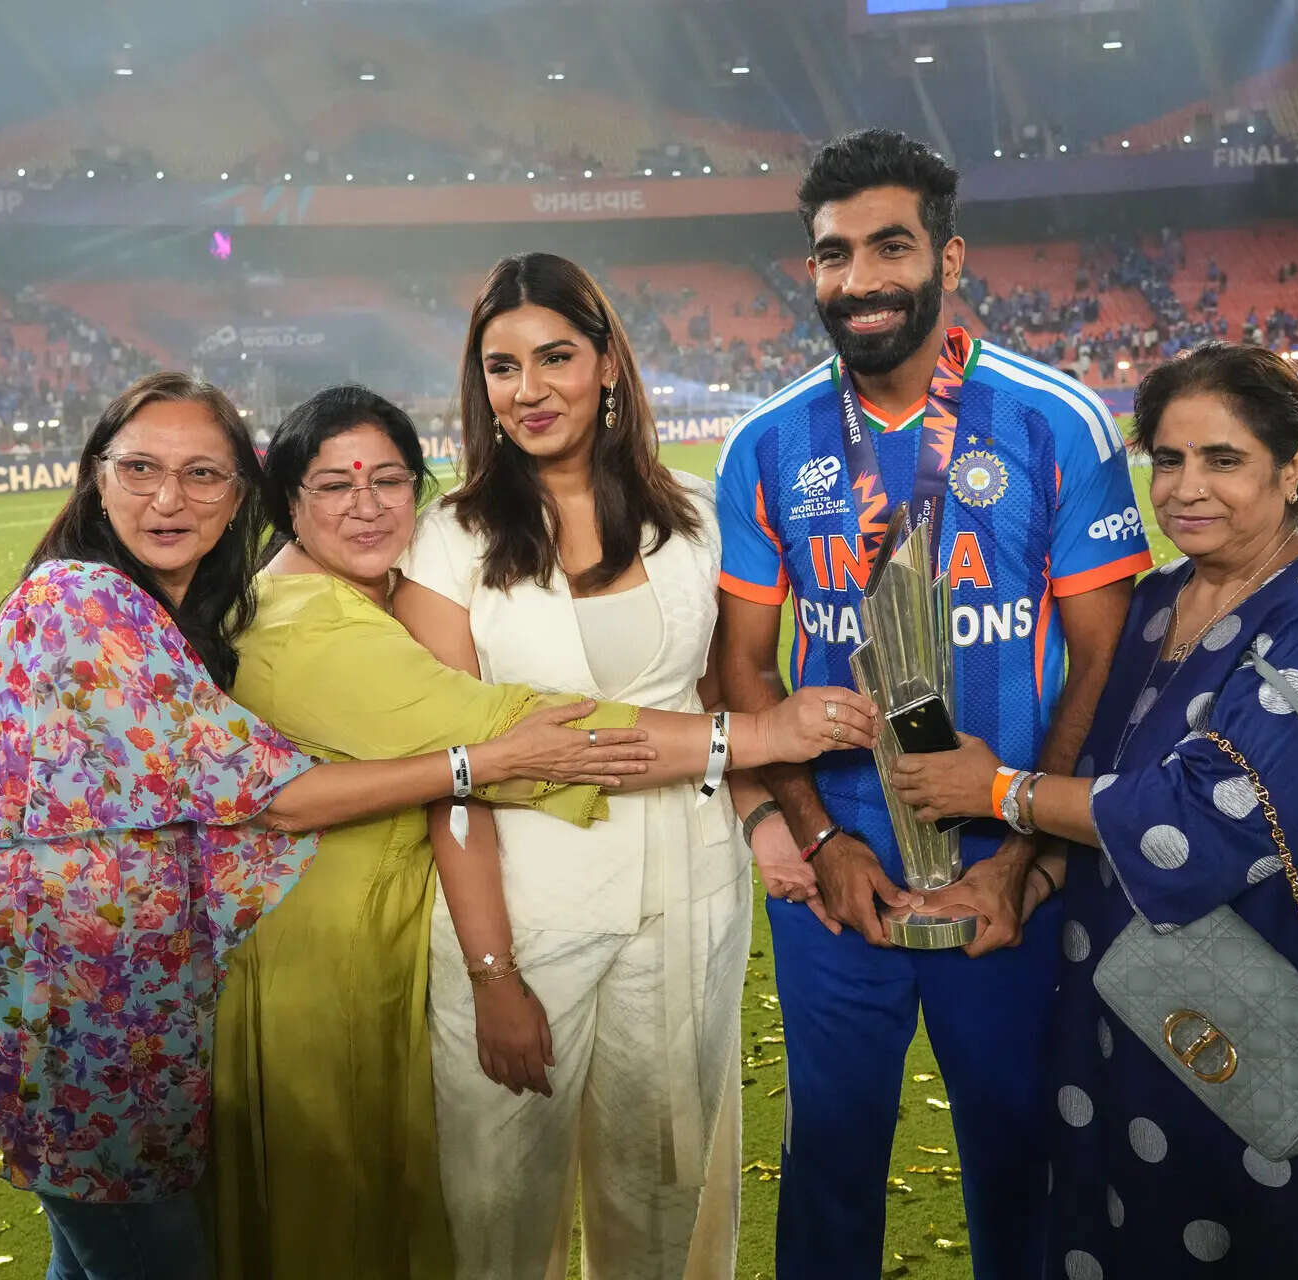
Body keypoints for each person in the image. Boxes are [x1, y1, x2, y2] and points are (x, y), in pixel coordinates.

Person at [0, 373, 658, 1280]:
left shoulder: (178, 614)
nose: (170, 498)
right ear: (95, 478)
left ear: (239, 497)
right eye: (140, 469)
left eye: (203, 475)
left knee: (100, 1259)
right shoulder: (83, 602)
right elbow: (272, 794)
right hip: (66, 1010)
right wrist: (481, 760)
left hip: (130, 1004)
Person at [212, 381, 870, 1280]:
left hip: (415, 928)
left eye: (388, 480)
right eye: (332, 486)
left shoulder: (363, 595)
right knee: (389, 1213)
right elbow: (507, 730)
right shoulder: (305, 623)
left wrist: (754, 810)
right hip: (337, 955)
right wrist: (754, 736)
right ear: (287, 499)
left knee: (486, 1199)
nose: (365, 506)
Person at [899, 342, 1298, 1276]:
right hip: (1163, 998)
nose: (1187, 488)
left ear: (1293, 461)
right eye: (1168, 460)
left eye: (1223, 460)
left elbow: (1211, 822)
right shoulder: (1153, 604)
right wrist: (1027, 880)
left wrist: (998, 794)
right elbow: (1110, 784)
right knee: (1155, 1221)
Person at [713, 129, 1150, 1278]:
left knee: (1023, 1155)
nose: (858, 280)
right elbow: (744, 669)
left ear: (950, 257)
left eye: (889, 245)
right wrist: (817, 836)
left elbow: (1107, 658)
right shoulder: (766, 444)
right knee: (832, 1159)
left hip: (1008, 866)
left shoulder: (1058, 422)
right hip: (838, 873)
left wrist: (1022, 851)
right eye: (832, 254)